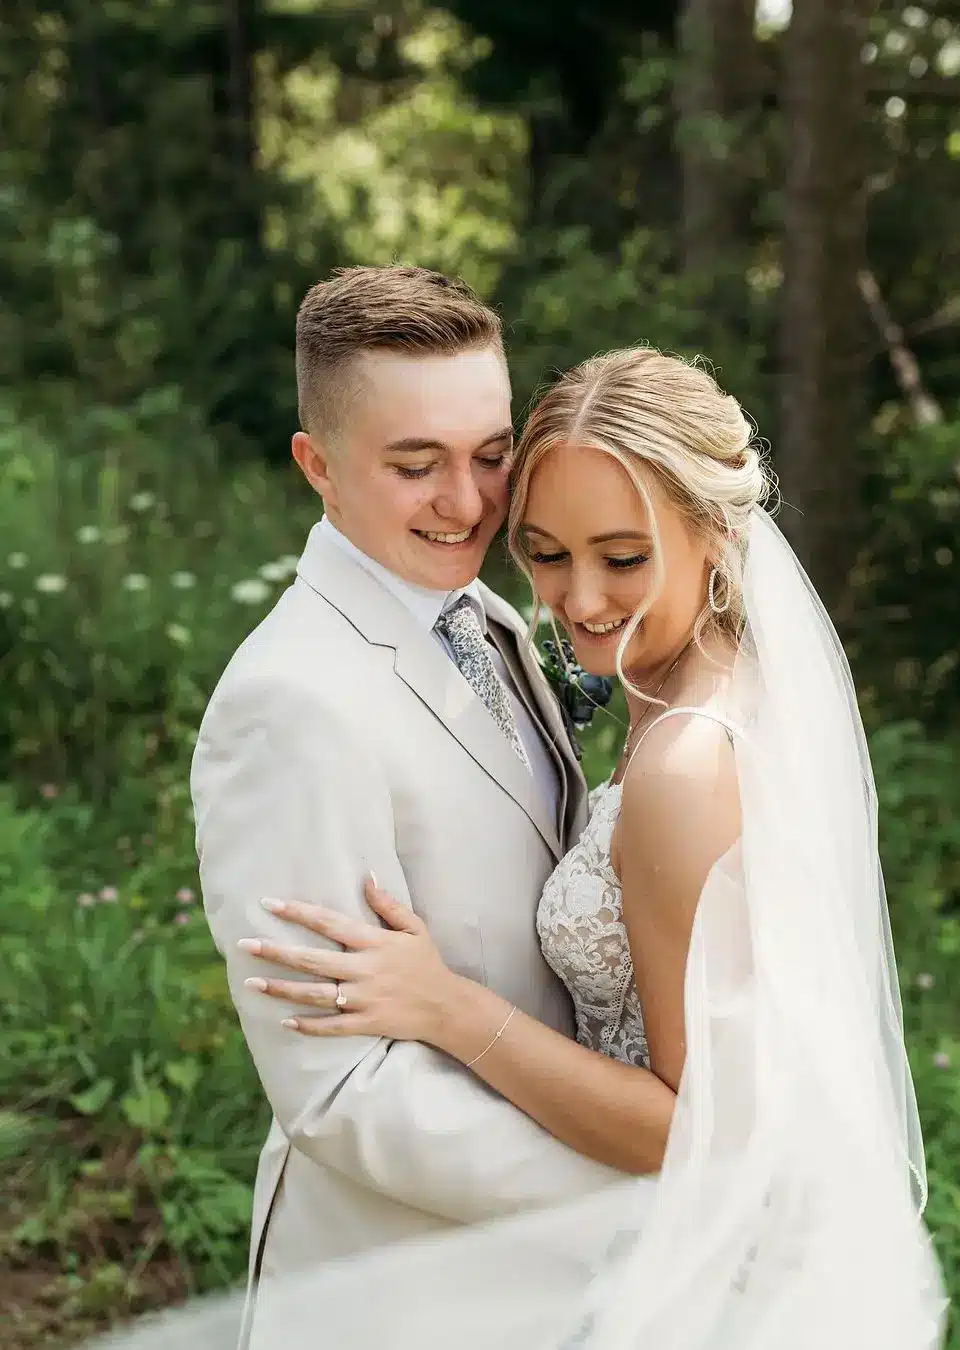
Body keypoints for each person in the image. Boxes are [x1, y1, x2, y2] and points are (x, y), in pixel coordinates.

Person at [243, 348, 948, 1349]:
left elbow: (687, 1126)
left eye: (623, 558)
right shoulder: (706, 684)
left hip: (687, 1271)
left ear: (715, 529)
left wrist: (450, 1009)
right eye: (544, 551)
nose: (577, 601)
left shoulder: (686, 769)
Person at [190, 266, 624, 1350]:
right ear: (317, 465)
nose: (469, 503)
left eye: (490, 456)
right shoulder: (290, 704)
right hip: (404, 1293)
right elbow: (341, 1092)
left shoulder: (486, 615)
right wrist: (627, 1202)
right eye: (415, 465)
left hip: (547, 1285)